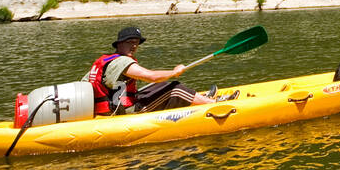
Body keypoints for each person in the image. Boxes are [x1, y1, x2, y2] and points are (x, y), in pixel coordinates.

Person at [88, 26, 236, 116]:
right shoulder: (121, 61)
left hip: (114, 106)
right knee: (174, 88)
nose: (134, 47)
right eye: (130, 42)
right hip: (126, 112)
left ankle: (199, 97)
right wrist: (174, 71)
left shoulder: (106, 60)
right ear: (119, 44)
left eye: (136, 43)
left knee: (159, 86)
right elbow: (151, 76)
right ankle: (214, 104)